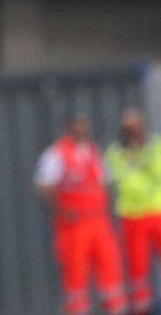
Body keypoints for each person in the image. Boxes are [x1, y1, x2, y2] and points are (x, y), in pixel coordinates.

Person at [35, 114, 127, 315]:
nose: (82, 129)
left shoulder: (93, 152)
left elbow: (104, 181)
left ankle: (115, 308)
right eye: (77, 125)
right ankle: (78, 310)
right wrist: (61, 210)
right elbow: (44, 185)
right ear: (69, 127)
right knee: (76, 272)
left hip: (99, 221)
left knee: (110, 267)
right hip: (74, 224)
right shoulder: (57, 153)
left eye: (84, 125)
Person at [106, 107, 161, 315]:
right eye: (129, 128)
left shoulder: (155, 146)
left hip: (157, 211)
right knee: (137, 269)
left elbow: (158, 172)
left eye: (136, 126)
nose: (134, 131)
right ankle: (142, 309)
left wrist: (140, 158)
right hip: (132, 216)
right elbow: (121, 178)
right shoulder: (116, 152)